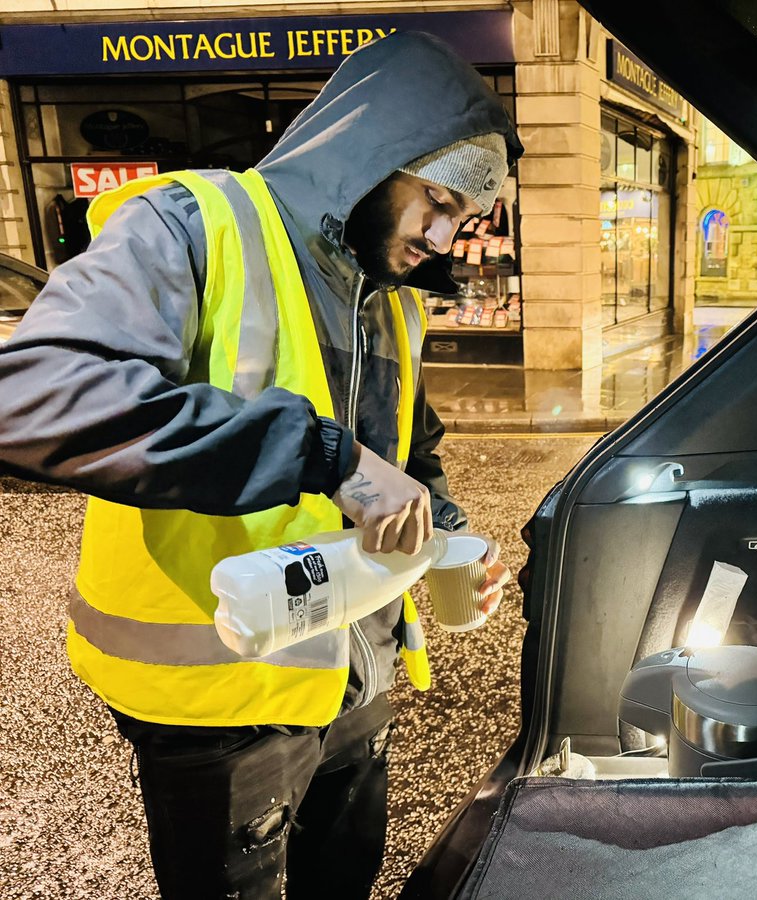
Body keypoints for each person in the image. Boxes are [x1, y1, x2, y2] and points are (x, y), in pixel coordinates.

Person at [0, 31, 521, 899]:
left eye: (461, 220)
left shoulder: (391, 305)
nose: (441, 236)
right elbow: (36, 393)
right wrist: (328, 457)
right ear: (371, 158)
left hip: (354, 673)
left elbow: (409, 456)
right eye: (434, 199)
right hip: (219, 696)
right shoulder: (190, 223)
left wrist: (452, 535)